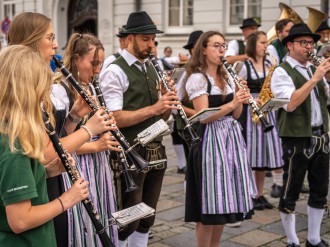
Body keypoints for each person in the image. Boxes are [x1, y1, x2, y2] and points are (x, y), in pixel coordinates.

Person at [7, 12, 117, 247]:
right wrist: (88, 130)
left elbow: (50, 143)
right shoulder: (22, 99)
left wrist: (74, 117)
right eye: (50, 37)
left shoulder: (33, 87)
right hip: (33, 202)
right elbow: (41, 151)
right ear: (32, 39)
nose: (56, 44)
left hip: (43, 180)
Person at [100, 11, 180, 247]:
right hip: (129, 152)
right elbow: (114, 118)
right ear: (130, 38)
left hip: (155, 147)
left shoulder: (151, 67)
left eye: (152, 39)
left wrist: (166, 102)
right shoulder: (115, 70)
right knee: (128, 218)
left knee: (147, 216)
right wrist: (156, 107)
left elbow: (162, 114)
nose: (151, 45)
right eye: (145, 39)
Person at [0, 45, 89, 247]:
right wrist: (66, 199)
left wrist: (45, 171)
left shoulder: (10, 132)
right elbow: (20, 220)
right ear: (27, 90)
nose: (44, 97)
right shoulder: (14, 146)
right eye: (42, 88)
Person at [183, 31, 257, 247]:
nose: (222, 50)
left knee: (224, 202)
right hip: (209, 142)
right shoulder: (198, 78)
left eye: (223, 45)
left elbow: (236, 115)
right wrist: (232, 103)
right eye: (216, 45)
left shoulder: (226, 76)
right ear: (203, 50)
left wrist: (239, 97)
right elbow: (203, 117)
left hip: (230, 141)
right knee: (208, 205)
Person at [55, 32, 119, 247]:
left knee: (101, 214)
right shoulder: (59, 90)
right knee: (80, 224)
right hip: (75, 166)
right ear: (76, 58)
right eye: (93, 63)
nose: (97, 69)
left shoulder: (90, 86)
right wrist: (96, 144)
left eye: (100, 64)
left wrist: (105, 134)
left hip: (97, 165)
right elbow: (59, 142)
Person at [271, 23, 330, 247]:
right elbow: (291, 104)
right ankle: (292, 240)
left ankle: (313, 238)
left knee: (319, 189)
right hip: (296, 139)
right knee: (291, 189)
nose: (309, 47)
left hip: (320, 135)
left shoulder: (312, 69)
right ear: (289, 45)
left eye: (311, 43)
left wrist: (325, 79)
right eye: (303, 43)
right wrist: (315, 78)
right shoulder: (281, 71)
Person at [238, 31, 283, 208]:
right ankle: (249, 193)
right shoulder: (244, 66)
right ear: (252, 45)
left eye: (266, 43)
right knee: (252, 155)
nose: (266, 46)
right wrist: (251, 99)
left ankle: (259, 193)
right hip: (250, 113)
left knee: (263, 155)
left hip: (267, 111)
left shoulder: (269, 63)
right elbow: (237, 90)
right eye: (262, 43)